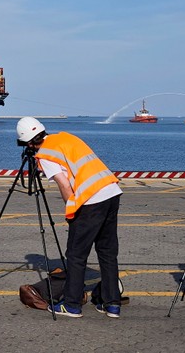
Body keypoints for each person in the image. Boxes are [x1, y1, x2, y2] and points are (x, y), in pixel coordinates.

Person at [17, 116, 123, 318]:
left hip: (91, 200)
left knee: (76, 255)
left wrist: (72, 211)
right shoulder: (66, 138)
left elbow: (64, 185)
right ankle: (112, 304)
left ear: (29, 142)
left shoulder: (45, 155)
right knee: (107, 253)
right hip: (111, 191)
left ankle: (72, 304)